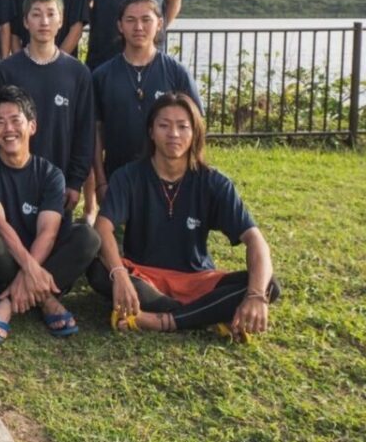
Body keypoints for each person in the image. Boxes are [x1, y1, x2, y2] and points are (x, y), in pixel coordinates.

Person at [89, 93, 280, 338]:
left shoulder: (214, 182)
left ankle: (161, 320)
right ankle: (209, 315)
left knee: (268, 285)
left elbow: (255, 240)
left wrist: (255, 295)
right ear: (151, 131)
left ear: (195, 133)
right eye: (164, 125)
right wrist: (120, 275)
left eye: (183, 126)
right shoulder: (129, 176)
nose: (174, 134)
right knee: (98, 270)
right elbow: (102, 227)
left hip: (198, 282)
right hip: (143, 277)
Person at [0, 87, 101, 344]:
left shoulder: (51, 174)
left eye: (15, 120)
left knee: (88, 237)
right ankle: (45, 298)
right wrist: (31, 269)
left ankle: (9, 300)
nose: (8, 129)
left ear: (32, 126)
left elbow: (48, 233)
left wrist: (28, 270)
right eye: (0, 122)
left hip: (39, 256)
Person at [0, 0, 95, 221]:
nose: (44, 22)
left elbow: (85, 132)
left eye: (51, 14)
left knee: (59, 238)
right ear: (25, 21)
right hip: (12, 182)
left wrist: (75, 182)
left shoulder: (78, 73)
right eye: (36, 14)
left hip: (59, 185)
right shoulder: (6, 70)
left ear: (61, 21)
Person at [93, 0, 201, 202]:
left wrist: (193, 174)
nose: (138, 27)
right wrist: (101, 182)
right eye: (130, 20)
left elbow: (196, 126)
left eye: (146, 20)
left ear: (159, 24)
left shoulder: (176, 72)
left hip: (169, 179)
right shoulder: (102, 76)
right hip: (118, 178)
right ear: (120, 26)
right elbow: (95, 132)